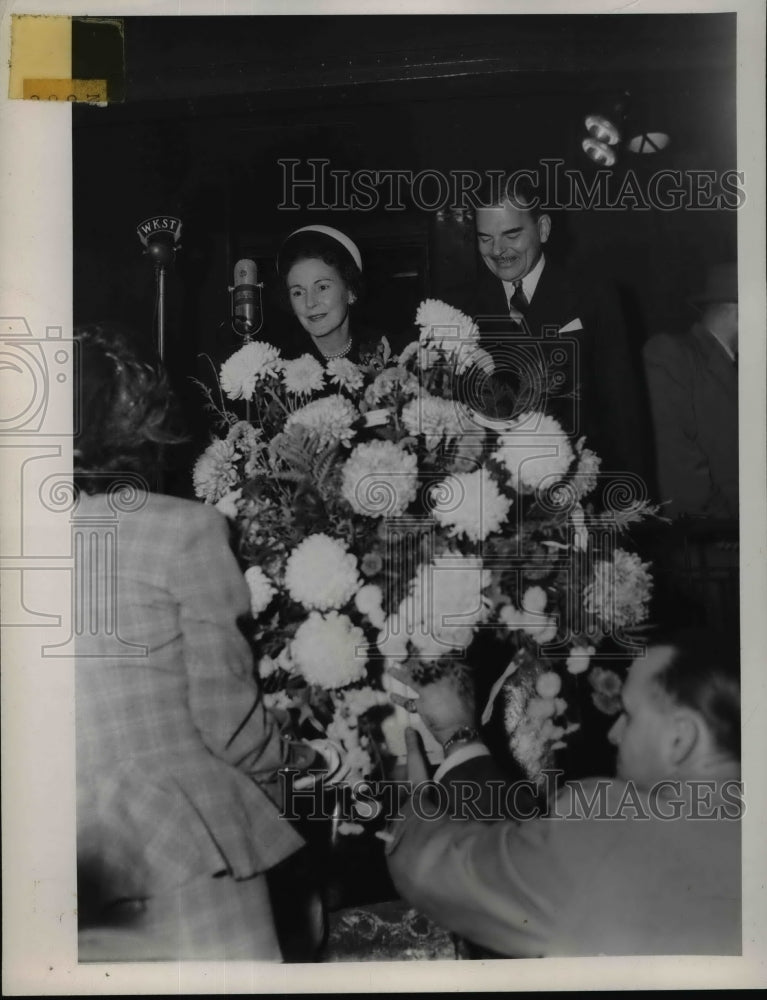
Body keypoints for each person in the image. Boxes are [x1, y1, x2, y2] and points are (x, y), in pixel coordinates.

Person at [73, 322, 305, 961]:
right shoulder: (184, 531)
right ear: (138, 420)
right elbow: (226, 725)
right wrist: (300, 762)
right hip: (180, 840)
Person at [385, 630, 741, 957]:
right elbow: (544, 868)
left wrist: (415, 804)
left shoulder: (610, 825)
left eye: (629, 716)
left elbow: (432, 870)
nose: (614, 734)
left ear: (681, 738)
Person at [447, 173, 648, 481]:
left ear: (542, 229)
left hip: (583, 489)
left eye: (511, 235)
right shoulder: (460, 311)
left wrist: (631, 505)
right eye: (485, 238)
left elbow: (623, 413)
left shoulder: (593, 297)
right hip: (496, 498)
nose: (497, 250)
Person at [643, 262, 738, 519]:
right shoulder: (671, 355)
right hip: (713, 544)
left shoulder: (742, 370)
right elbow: (680, 472)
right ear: (739, 311)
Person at [276, 224, 390, 366]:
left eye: (322, 287)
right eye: (298, 292)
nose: (310, 303)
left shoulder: (385, 351)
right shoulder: (279, 365)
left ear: (351, 291)